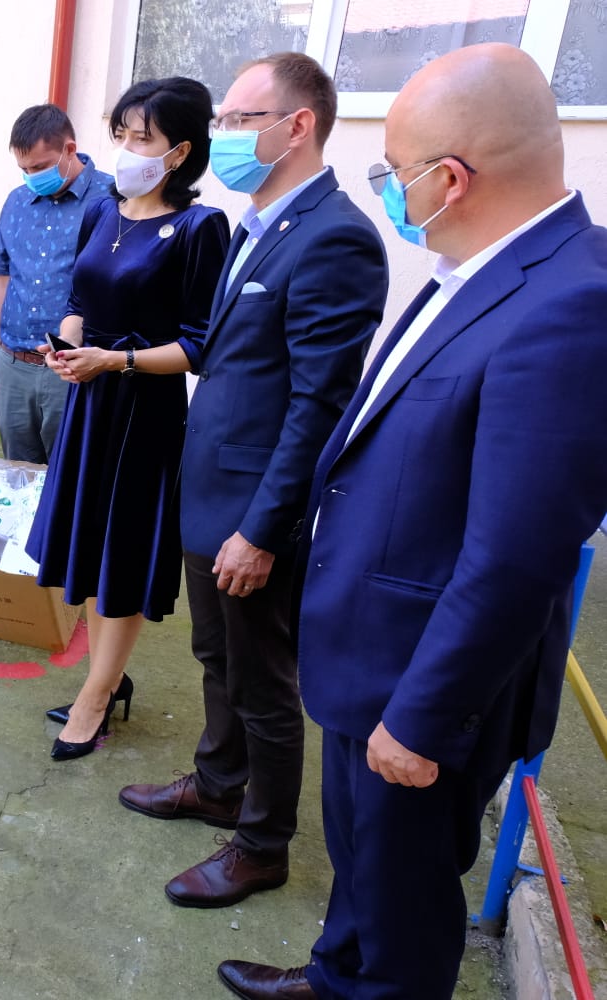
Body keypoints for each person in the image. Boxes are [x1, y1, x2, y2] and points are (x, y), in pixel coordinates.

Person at [218, 44, 607, 1000]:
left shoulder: (572, 306)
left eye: (394, 172)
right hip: (374, 652)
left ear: (452, 178)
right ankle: (334, 975)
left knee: (405, 903)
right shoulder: (482, 265)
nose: (389, 190)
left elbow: (516, 556)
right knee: (364, 863)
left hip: (421, 687)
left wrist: (423, 719)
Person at [118, 52, 388, 909]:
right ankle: (217, 784)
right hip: (212, 490)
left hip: (254, 509)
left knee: (264, 682)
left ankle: (262, 844)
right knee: (216, 657)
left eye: (239, 119)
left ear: (297, 126)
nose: (223, 134)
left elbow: (318, 405)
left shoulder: (335, 236)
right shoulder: (259, 222)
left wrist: (264, 530)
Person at [23, 77, 229, 760]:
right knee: (88, 545)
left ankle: (95, 697)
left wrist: (115, 361)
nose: (127, 149)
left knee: (125, 553)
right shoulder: (102, 210)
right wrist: (67, 347)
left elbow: (200, 345)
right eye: (122, 134)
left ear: (180, 152)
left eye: (143, 138)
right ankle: (105, 680)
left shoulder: (199, 227)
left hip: (145, 410)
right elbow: (78, 301)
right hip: (90, 400)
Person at [0, 104, 114, 464]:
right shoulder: (17, 202)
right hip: (14, 367)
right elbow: (2, 281)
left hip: (73, 370)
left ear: (69, 149)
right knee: (19, 477)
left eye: (40, 167)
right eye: (24, 169)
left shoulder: (112, 200)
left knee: (71, 477)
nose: (31, 176)